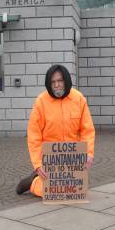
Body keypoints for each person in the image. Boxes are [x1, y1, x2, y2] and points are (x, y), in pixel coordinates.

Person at [16, 64, 95, 197]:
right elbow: (34, 135)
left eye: (60, 81)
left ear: (66, 81)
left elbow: (87, 130)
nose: (57, 85)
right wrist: (38, 164)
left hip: (72, 158)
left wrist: (88, 153)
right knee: (50, 192)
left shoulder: (79, 99)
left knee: (74, 191)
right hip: (49, 159)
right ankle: (33, 182)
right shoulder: (41, 101)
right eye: (53, 82)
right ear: (49, 84)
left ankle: (35, 179)